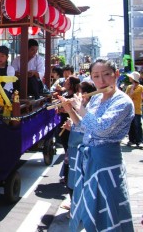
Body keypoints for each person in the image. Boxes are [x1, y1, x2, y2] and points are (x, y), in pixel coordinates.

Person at [58, 58, 134, 231]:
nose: (101, 80)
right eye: (96, 76)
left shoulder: (123, 102)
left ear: (116, 75)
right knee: (89, 207)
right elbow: (86, 128)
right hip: (89, 160)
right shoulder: (96, 98)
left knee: (109, 209)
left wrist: (80, 108)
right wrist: (70, 110)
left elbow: (100, 129)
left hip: (107, 163)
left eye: (106, 75)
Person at [62, 81, 96, 217]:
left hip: (83, 151)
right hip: (74, 148)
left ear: (86, 94)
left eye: (80, 92)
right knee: (71, 178)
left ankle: (80, 211)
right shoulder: (84, 106)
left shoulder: (91, 107)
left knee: (80, 180)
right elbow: (79, 124)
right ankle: (75, 206)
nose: (77, 94)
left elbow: (87, 127)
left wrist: (74, 113)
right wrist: (71, 113)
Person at [57, 75, 80, 185]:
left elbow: (77, 111)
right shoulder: (65, 95)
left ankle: (68, 176)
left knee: (69, 150)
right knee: (67, 150)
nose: (64, 81)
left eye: (67, 81)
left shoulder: (75, 97)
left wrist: (65, 110)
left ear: (71, 84)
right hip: (63, 124)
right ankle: (67, 175)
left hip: (71, 126)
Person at [125, 71, 143, 148]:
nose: (129, 78)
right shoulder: (129, 87)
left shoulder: (141, 88)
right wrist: (131, 91)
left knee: (138, 125)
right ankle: (131, 140)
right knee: (131, 125)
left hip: (137, 109)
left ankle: (139, 141)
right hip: (130, 110)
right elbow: (126, 97)